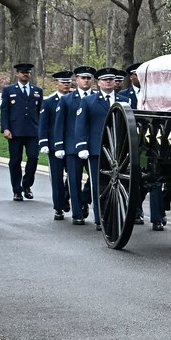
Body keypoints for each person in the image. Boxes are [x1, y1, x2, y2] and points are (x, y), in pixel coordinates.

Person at [61, 66, 106, 226]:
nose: (86, 81)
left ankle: (92, 208)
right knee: (74, 180)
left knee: (94, 181)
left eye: (88, 78)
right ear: (77, 80)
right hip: (73, 146)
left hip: (94, 146)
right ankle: (77, 213)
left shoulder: (97, 98)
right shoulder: (67, 99)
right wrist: (59, 145)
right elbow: (60, 125)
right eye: (82, 78)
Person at [0, 62, 43, 202]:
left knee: (33, 158)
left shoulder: (37, 91)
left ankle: (27, 185)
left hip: (32, 131)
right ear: (17, 74)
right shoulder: (8, 90)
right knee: (15, 161)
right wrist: (5, 128)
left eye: (28, 72)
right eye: (23, 72)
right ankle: (17, 190)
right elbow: (5, 110)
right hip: (15, 131)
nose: (25, 74)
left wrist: (41, 129)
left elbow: (40, 112)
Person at [39, 70, 74, 220]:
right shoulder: (49, 102)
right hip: (54, 146)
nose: (66, 85)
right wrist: (44, 142)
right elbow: (43, 124)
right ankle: (58, 207)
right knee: (57, 178)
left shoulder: (75, 99)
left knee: (73, 177)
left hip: (72, 144)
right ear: (56, 84)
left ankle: (65, 196)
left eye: (68, 82)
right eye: (63, 82)